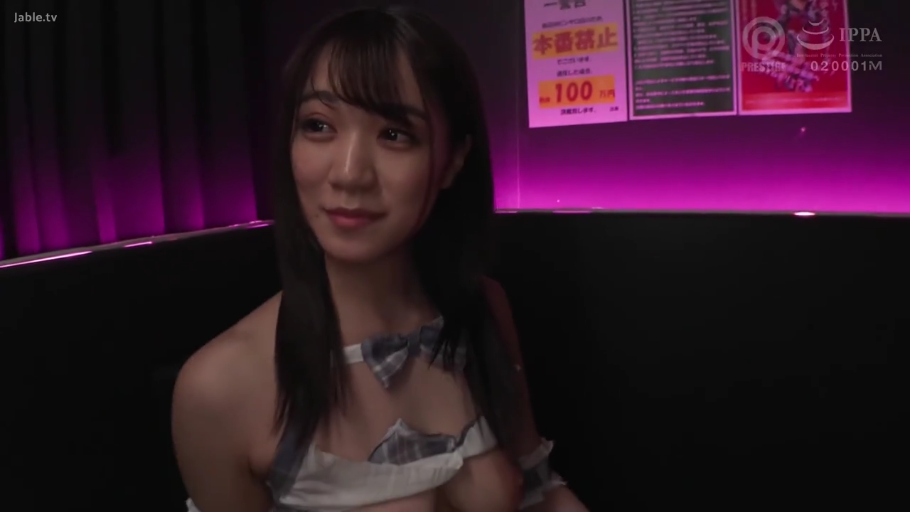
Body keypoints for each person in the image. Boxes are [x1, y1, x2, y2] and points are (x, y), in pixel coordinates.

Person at [171, 6, 588, 512]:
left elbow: (543, 497)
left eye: (394, 134)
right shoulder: (218, 388)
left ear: (453, 160)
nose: (349, 174)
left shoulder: (482, 311)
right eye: (319, 125)